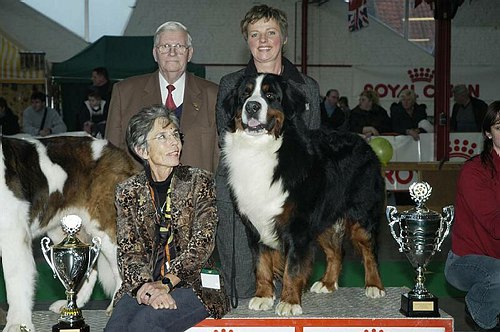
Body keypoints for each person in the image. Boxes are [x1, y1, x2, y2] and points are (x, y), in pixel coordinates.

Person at [215, 4, 321, 304]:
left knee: (292, 294)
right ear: (247, 40)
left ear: (283, 38)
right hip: (242, 204)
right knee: (242, 293)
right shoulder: (229, 86)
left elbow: (312, 147)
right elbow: (225, 138)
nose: (263, 40)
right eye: (255, 34)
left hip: (289, 197)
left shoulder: (307, 89)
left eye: (270, 32)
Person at [105, 105, 229, 332]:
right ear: (142, 150)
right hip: (143, 284)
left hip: (195, 283)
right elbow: (128, 250)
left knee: (146, 324)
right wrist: (147, 287)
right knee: (116, 328)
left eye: (175, 135)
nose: (175, 143)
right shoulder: (128, 191)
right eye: (162, 137)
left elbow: (202, 244)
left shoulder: (199, 181)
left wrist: (165, 284)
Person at [106, 21, 219, 174]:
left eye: (179, 46)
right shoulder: (124, 92)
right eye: (165, 47)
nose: (172, 53)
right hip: (141, 195)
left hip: (197, 195)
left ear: (190, 53)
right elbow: (111, 158)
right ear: (155, 53)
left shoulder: (214, 95)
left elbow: (221, 158)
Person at [444, 101, 500, 331]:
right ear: (488, 133)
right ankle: (480, 308)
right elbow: (495, 225)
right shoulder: (474, 171)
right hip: (466, 262)